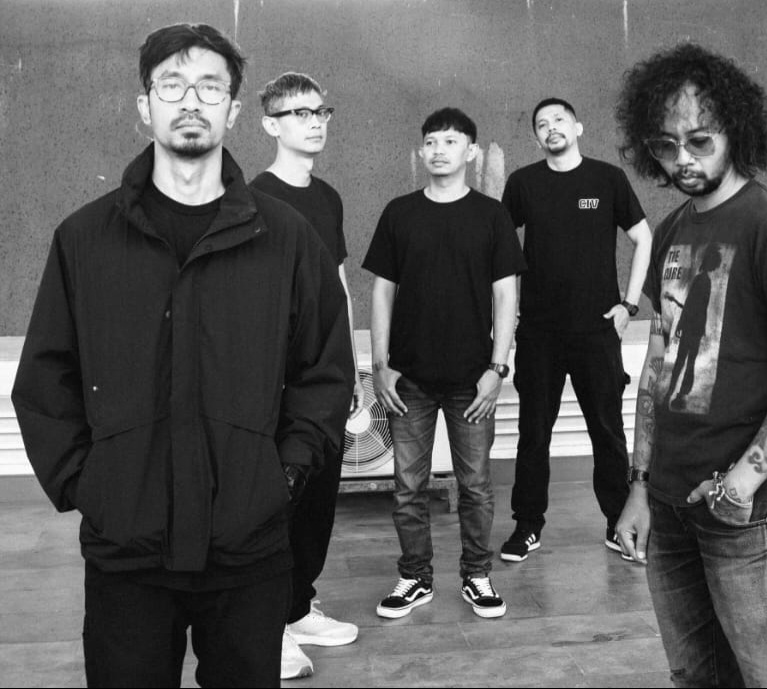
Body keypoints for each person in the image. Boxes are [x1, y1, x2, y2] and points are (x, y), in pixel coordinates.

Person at [11, 23, 354, 688]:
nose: (190, 100)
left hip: (249, 548)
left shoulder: (286, 238)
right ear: (144, 105)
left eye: (209, 87)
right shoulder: (84, 238)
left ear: (234, 110)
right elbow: (46, 379)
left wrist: (282, 475)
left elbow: (325, 371)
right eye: (171, 85)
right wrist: (91, 486)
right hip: (127, 553)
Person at [613, 43, 767, 687]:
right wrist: (640, 486)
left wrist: (741, 483)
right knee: (697, 677)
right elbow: (658, 366)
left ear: (735, 131)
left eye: (700, 141)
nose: (683, 158)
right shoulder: (673, 229)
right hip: (669, 500)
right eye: (665, 146)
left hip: (747, 508)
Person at [363, 107, 526, 620]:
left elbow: (506, 295)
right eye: (431, 141)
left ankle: (477, 575)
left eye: (450, 141)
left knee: (475, 486)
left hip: (472, 380)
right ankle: (415, 577)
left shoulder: (491, 215)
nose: (438, 150)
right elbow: (382, 292)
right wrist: (380, 365)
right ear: (422, 150)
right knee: (407, 487)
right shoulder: (399, 212)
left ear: (471, 152)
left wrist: (497, 370)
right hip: (407, 379)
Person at [499, 97, 652, 562]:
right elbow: (500, 248)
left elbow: (643, 238)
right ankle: (527, 525)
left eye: (559, 120)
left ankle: (617, 522)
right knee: (533, 432)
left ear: (578, 127)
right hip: (539, 333)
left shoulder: (607, 179)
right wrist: (507, 314)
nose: (551, 128)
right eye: (541, 124)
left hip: (596, 330)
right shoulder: (523, 183)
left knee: (607, 430)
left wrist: (629, 304)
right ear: (536, 137)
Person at [251, 71, 363, 680]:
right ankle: (264, 624)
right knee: (279, 501)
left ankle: (297, 609)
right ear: (270, 124)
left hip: (327, 374)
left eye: (321, 111)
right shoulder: (253, 198)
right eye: (300, 113)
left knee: (319, 499)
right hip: (276, 380)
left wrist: (349, 364)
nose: (315, 122)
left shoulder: (328, 198)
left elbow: (338, 284)